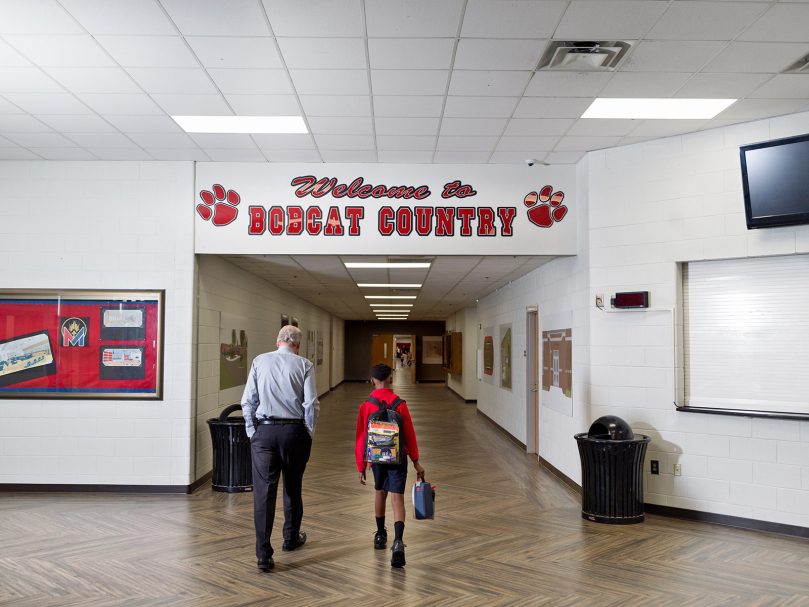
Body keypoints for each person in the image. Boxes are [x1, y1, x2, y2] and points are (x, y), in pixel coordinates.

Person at [241, 325, 319, 573]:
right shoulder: (304, 364)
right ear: (297, 345)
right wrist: (308, 431)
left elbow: (248, 401)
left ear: (277, 342)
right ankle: (290, 538)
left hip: (264, 432)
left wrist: (252, 432)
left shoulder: (259, 361)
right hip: (294, 432)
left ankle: (263, 554)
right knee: (293, 486)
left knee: (264, 493)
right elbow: (311, 404)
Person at [355, 363, 425, 568]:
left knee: (380, 493)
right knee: (397, 498)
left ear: (372, 381)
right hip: (398, 458)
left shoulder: (366, 405)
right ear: (391, 379)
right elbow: (409, 435)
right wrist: (416, 461)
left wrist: (361, 465)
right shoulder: (400, 404)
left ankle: (380, 535)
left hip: (376, 458)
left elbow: (361, 437)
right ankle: (398, 542)